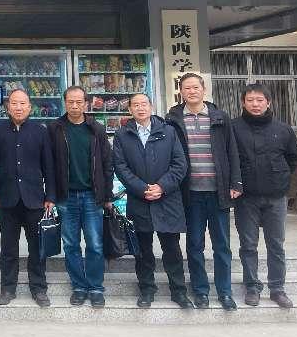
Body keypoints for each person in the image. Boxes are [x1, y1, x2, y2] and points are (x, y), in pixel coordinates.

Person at [165, 73, 242, 311]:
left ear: (203, 89)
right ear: (181, 92)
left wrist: (236, 183)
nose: (192, 91)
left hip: (218, 191)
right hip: (191, 193)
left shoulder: (220, 117)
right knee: (194, 245)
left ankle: (225, 292)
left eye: (195, 87)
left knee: (222, 245)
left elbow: (232, 151)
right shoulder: (173, 119)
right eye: (187, 88)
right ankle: (200, 291)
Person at [113, 93, 193, 309]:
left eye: (144, 104)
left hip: (167, 199)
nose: (140, 108)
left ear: (151, 106)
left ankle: (179, 291)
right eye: (136, 105)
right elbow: (120, 167)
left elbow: (180, 164)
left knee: (172, 249)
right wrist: (142, 188)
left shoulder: (168, 131)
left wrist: (162, 187)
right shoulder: (122, 135)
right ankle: (147, 290)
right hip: (139, 200)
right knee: (143, 251)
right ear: (130, 109)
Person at [232, 82, 297, 309]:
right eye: (250, 100)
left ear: (268, 103)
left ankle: (277, 288)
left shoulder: (283, 129)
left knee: (276, 245)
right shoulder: (234, 128)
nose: (255, 104)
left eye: (260, 100)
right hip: (246, 197)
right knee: (248, 245)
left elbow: (293, 159)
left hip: (275, 197)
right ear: (243, 103)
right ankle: (252, 287)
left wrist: (279, 180)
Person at [47, 85, 113, 308]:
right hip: (66, 197)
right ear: (64, 103)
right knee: (71, 244)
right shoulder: (55, 129)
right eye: (70, 102)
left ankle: (95, 287)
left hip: (92, 196)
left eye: (79, 102)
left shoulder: (97, 129)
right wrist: (51, 196)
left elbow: (107, 163)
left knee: (95, 243)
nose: (74, 106)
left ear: (86, 103)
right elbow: (49, 166)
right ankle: (78, 286)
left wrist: (107, 196)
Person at [0, 89, 56, 307]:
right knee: (8, 247)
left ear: (29, 107)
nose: (18, 108)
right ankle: (8, 288)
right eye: (14, 103)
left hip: (35, 199)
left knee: (37, 248)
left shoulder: (40, 131)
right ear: (8, 107)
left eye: (22, 104)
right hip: (7, 199)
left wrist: (50, 195)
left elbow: (49, 166)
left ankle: (39, 289)